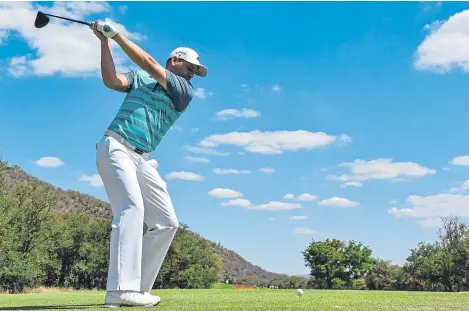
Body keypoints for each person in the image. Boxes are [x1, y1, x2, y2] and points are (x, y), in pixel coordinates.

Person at [90, 20, 208, 307]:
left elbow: (150, 61)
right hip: (117, 147)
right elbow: (111, 81)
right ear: (175, 60)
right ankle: (120, 290)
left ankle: (137, 288)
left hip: (143, 160)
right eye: (189, 67)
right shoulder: (141, 79)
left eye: (194, 71)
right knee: (131, 209)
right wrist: (104, 41)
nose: (192, 75)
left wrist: (115, 34)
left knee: (167, 223)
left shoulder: (183, 90)